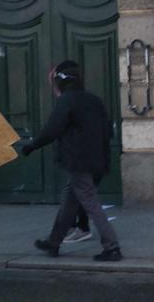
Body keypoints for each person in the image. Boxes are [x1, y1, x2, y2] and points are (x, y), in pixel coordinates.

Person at [22, 60, 122, 262]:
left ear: (60, 83)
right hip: (97, 161)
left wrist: (32, 145)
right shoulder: (94, 100)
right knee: (70, 201)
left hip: (78, 162)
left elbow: (52, 129)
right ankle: (54, 241)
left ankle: (112, 246)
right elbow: (106, 131)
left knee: (91, 204)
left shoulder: (67, 101)